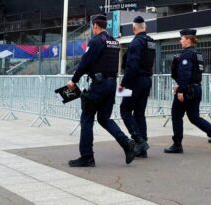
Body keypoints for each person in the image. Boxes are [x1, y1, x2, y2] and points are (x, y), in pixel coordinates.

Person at [67, 14, 135, 167]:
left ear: (95, 26)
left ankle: (87, 157)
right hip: (111, 84)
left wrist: (73, 80)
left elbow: (85, 62)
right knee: (104, 119)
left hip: (99, 85)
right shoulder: (113, 42)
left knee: (86, 118)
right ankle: (126, 143)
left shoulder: (97, 41)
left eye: (92, 26)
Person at [164, 29, 211, 154]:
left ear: (188, 39)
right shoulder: (198, 54)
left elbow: (185, 74)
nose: (180, 41)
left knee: (176, 116)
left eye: (181, 38)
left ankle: (177, 145)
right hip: (196, 88)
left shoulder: (186, 54)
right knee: (194, 117)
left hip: (187, 90)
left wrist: (180, 90)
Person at [119, 16, 156, 158]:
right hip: (147, 80)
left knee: (125, 110)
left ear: (134, 28)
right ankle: (143, 147)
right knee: (139, 113)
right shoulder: (150, 42)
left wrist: (123, 84)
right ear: (145, 27)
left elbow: (132, 66)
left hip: (134, 81)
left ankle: (139, 141)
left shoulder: (135, 43)